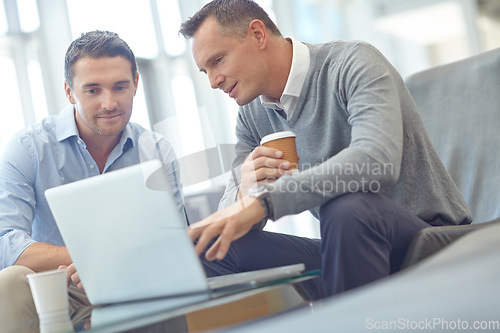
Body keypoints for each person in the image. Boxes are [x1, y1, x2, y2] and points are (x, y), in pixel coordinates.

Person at [179, 0, 472, 297]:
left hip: (428, 239)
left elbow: (377, 161)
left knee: (346, 207)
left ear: (257, 34)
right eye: (205, 71)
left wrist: (267, 201)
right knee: (211, 246)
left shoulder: (352, 62)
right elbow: (240, 223)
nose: (214, 82)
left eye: (218, 60)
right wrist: (245, 191)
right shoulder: (252, 114)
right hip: (347, 248)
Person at [0, 30, 185, 330]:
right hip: (59, 288)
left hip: (136, 284)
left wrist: (117, 265)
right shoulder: (28, 148)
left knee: (175, 285)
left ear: (136, 84)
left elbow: (175, 242)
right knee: (10, 281)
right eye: (93, 90)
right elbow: (6, 244)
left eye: (120, 87)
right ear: (69, 92)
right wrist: (91, 259)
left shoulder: (157, 152)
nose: (109, 103)